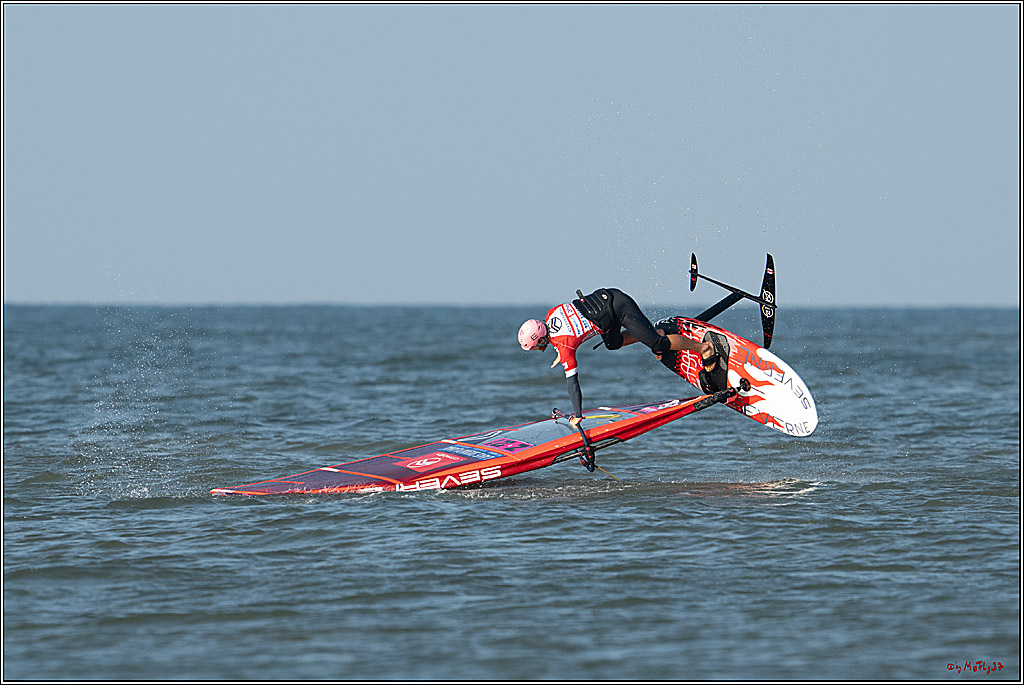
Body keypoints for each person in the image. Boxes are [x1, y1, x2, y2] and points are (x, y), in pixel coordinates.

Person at [518, 288, 716, 427]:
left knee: (658, 345)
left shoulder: (564, 347)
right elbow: (566, 330)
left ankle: (703, 349)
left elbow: (573, 383)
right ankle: (654, 334)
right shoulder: (551, 314)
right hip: (604, 304)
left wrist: (578, 415)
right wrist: (559, 353)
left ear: (542, 339)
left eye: (536, 347)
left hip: (619, 307)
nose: (536, 350)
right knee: (612, 343)